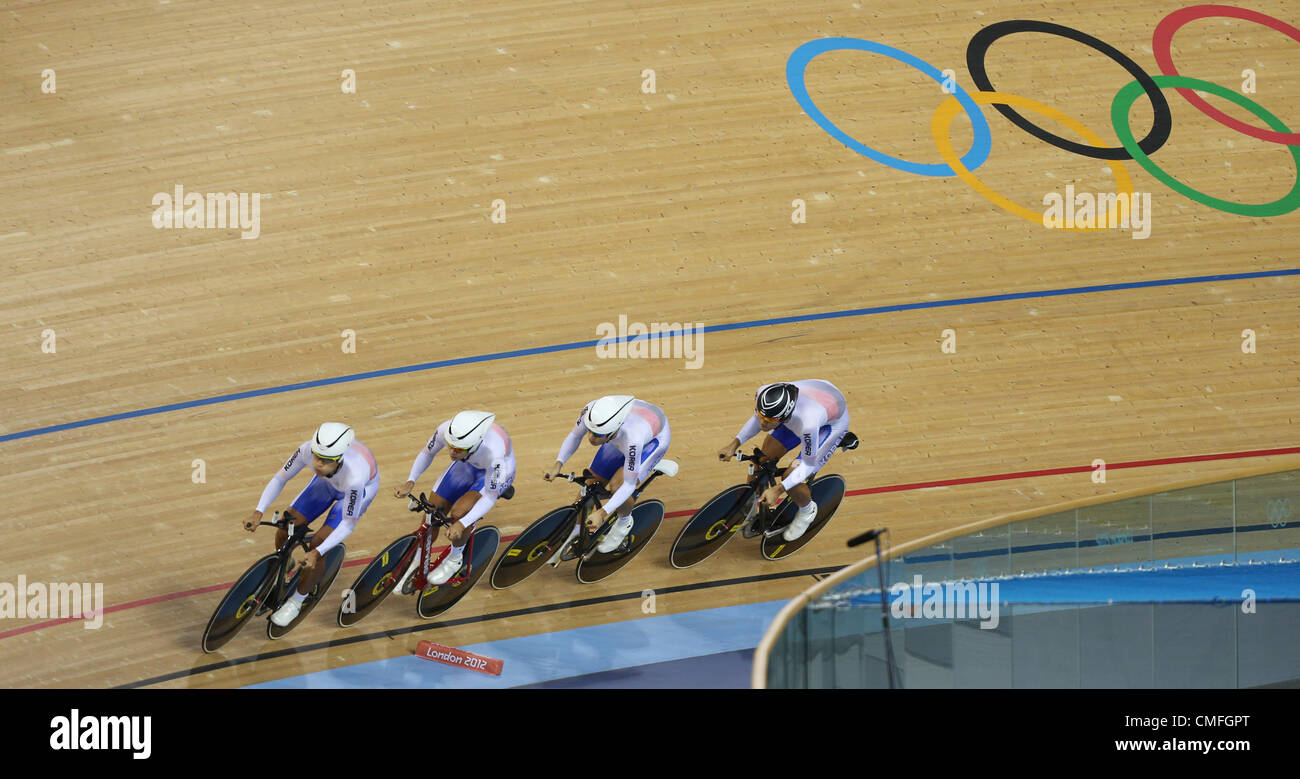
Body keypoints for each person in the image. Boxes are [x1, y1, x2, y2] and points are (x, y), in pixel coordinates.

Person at [243, 422, 379, 626]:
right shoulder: (307, 449)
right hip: (327, 483)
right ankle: (285, 563)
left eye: (325, 461)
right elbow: (280, 478)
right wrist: (258, 511)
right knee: (285, 524)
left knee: (319, 541)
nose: (318, 464)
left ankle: (297, 601)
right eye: (316, 457)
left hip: (357, 493)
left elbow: (348, 524)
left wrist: (317, 552)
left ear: (339, 459)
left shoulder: (355, 476)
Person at [717, 380, 856, 541]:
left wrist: (778, 489)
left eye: (768, 421)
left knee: (791, 477)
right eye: (762, 416)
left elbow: (807, 464)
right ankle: (752, 499)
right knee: (762, 458)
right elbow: (758, 419)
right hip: (813, 402)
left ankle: (807, 511)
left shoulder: (808, 423)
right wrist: (734, 444)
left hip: (830, 424)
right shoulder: (765, 393)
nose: (762, 423)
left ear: (784, 417)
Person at [394, 410, 516, 588]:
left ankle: (455, 558)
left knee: (460, 513)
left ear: (474, 445)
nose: (451, 452)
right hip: (466, 464)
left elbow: (489, 497)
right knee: (432, 511)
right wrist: (410, 481)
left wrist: (461, 523)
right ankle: (418, 560)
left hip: (495, 473)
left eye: (457, 449)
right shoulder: (448, 431)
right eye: (450, 446)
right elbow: (427, 453)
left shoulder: (494, 454)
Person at [544, 395, 670, 553]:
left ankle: (624, 522)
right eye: (590, 431)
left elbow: (629, 484)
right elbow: (575, 435)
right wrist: (558, 464)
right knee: (590, 484)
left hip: (651, 441)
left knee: (618, 486)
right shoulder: (592, 413)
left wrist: (603, 513)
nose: (591, 438)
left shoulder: (633, 438)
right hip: (624, 432)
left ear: (614, 430)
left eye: (598, 435)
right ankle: (576, 531)